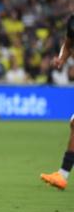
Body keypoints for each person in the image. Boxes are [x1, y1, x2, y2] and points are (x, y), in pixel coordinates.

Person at [40, 14, 74, 190]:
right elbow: (68, 45)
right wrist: (62, 59)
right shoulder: (72, 22)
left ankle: (62, 175)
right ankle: (62, 175)